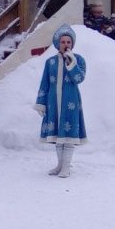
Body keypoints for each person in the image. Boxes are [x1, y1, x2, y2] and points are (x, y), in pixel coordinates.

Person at [34, 24, 86, 178]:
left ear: (72, 44)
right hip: (53, 102)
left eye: (68, 42)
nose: (66, 45)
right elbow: (45, 82)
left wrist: (71, 64)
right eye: (63, 42)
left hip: (70, 102)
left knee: (68, 134)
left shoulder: (79, 60)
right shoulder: (50, 62)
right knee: (58, 136)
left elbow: (79, 78)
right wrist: (41, 102)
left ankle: (66, 167)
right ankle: (59, 165)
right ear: (58, 43)